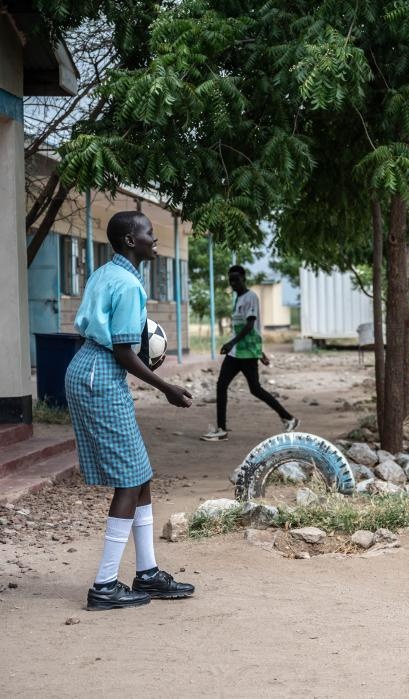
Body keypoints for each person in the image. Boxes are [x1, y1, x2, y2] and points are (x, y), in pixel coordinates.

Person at [65, 211, 196, 611]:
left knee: (140, 475)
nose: (154, 240)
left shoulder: (108, 273)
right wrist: (167, 388)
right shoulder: (127, 284)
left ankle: (148, 573)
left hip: (88, 369)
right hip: (99, 376)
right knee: (129, 478)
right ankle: (104, 584)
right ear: (129, 241)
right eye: (148, 234)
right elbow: (123, 350)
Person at [201, 265, 298, 441]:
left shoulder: (250, 297)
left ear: (244, 279)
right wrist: (259, 352)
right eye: (231, 280)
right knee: (222, 385)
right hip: (238, 352)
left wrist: (232, 344)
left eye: (236, 279)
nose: (233, 283)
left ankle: (288, 417)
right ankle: (221, 429)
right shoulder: (238, 298)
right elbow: (246, 328)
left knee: (255, 389)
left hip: (245, 353)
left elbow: (250, 325)